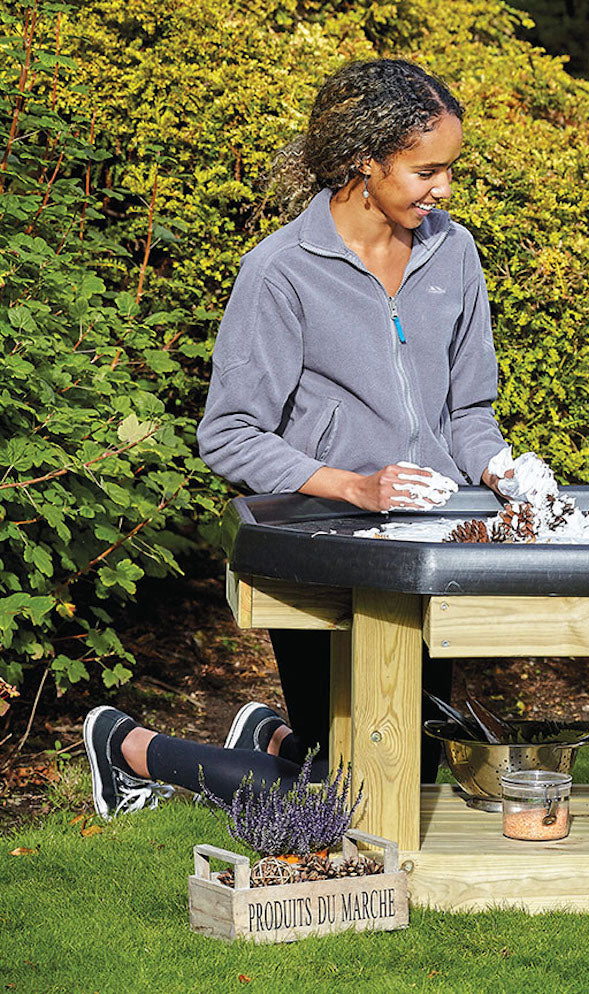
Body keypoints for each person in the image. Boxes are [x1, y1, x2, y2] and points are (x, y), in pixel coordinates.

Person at [86, 58, 511, 819]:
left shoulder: (455, 253)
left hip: (430, 546)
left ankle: (283, 741)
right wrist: (352, 484)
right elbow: (228, 434)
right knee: (349, 800)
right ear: (365, 161)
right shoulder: (279, 272)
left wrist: (503, 466)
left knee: (409, 778)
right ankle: (129, 748)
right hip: (322, 542)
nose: (443, 189)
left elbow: (471, 409)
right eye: (426, 171)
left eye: (449, 170)